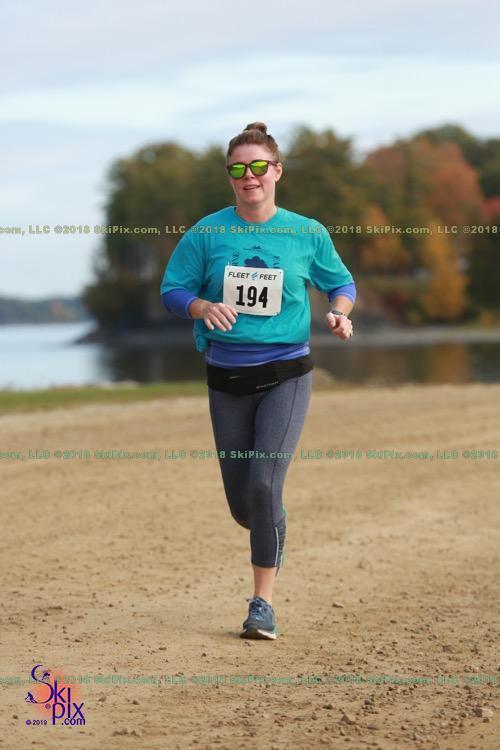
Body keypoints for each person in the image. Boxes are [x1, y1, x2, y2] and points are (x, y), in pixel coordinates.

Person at [160, 122, 355, 640]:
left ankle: (262, 604)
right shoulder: (206, 234)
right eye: (239, 169)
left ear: (277, 172)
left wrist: (339, 312)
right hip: (225, 377)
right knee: (245, 504)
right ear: (230, 177)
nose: (250, 176)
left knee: (265, 483)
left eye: (259, 167)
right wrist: (200, 306)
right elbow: (173, 290)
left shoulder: (305, 232)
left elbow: (341, 282)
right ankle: (270, 517)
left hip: (286, 373)